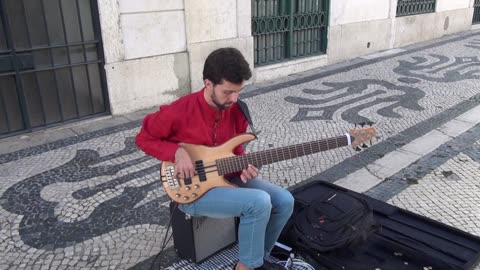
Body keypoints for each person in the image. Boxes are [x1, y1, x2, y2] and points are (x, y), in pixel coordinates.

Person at [135, 47, 294, 270]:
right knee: (258, 203)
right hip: (192, 191)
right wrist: (176, 153)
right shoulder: (179, 111)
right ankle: (245, 267)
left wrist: (243, 165)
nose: (235, 98)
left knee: (285, 201)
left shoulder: (239, 110)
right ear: (208, 84)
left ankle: (258, 257)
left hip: (228, 176)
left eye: (239, 91)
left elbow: (236, 149)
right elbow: (143, 138)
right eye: (228, 92)